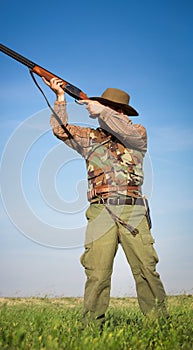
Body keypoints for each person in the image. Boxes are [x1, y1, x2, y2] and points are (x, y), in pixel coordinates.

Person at [43, 77, 168, 327]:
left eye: (116, 109)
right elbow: (60, 129)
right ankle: (90, 329)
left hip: (133, 210)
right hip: (101, 210)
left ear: (121, 112)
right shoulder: (90, 138)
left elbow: (127, 131)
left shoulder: (137, 134)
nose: (114, 112)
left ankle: (160, 328)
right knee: (97, 274)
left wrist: (103, 111)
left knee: (146, 270)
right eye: (109, 106)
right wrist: (60, 98)